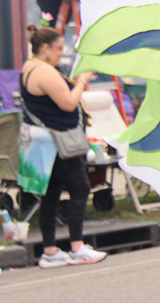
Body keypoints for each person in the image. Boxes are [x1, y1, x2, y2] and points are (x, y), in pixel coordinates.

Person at [20, 25, 107, 268]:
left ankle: (50, 250)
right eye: (58, 49)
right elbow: (68, 103)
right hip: (58, 141)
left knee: (51, 194)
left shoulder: (29, 67)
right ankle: (77, 246)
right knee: (79, 189)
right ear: (45, 48)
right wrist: (82, 81)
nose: (61, 54)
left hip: (45, 142)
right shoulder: (43, 72)